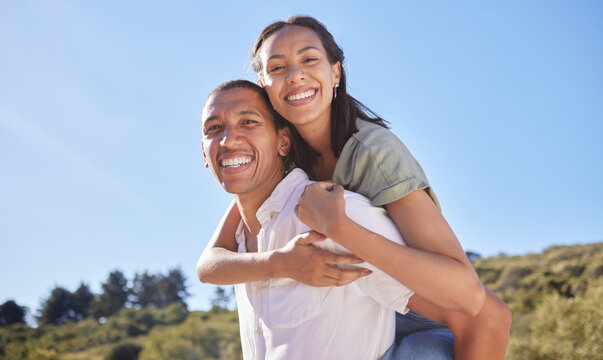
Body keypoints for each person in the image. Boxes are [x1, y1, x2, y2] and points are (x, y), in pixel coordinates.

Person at [199, 16, 512, 360]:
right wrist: (281, 263)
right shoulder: (278, 160)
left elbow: (479, 307)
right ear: (264, 84)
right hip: (368, 299)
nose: (295, 75)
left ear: (336, 72)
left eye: (309, 59)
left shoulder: (373, 154)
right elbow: (210, 263)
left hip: (416, 298)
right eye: (277, 67)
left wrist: (340, 227)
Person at [201, 79, 419, 359]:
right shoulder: (241, 238)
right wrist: (277, 264)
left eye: (249, 122)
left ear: (283, 142)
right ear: (204, 155)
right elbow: (206, 268)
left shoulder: (341, 216)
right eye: (214, 128)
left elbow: (461, 312)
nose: (228, 140)